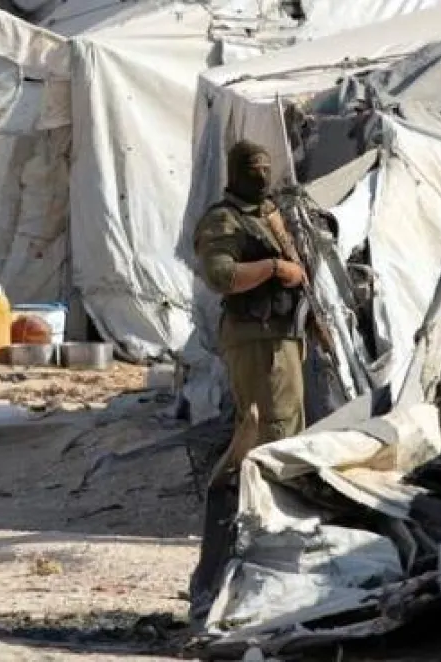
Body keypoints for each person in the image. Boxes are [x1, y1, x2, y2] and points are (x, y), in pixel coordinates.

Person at [185, 140, 310, 622]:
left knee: (289, 437)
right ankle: (243, 561)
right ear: (237, 172)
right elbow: (221, 275)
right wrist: (274, 268)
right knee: (268, 441)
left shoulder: (270, 213)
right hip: (256, 341)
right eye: (252, 169)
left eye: (265, 168)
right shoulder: (224, 220)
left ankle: (268, 556)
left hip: (283, 336)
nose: (261, 176)